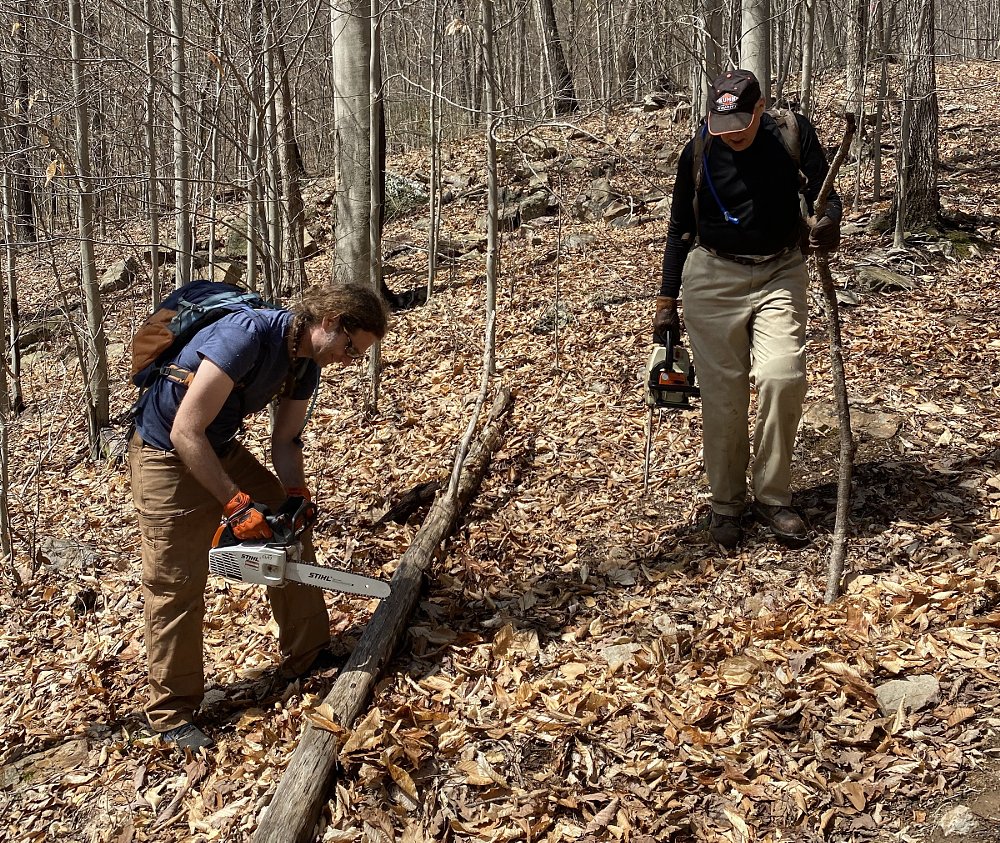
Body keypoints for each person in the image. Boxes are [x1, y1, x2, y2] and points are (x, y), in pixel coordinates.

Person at [128, 282, 389, 750]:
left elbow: (286, 440)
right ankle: (170, 714)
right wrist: (234, 503)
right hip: (167, 452)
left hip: (218, 445)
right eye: (351, 347)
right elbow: (186, 431)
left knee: (290, 532)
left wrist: (294, 494)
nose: (351, 360)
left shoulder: (305, 362)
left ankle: (307, 652)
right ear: (329, 322)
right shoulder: (245, 334)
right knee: (175, 582)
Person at [653, 69, 842, 550]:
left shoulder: (792, 136)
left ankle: (772, 496)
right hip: (712, 277)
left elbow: (827, 197)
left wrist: (827, 224)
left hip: (781, 270)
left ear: (760, 110)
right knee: (723, 397)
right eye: (723, 123)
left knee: (783, 376)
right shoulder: (699, 152)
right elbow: (679, 229)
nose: (731, 132)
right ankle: (727, 503)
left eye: (741, 120)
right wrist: (665, 302)